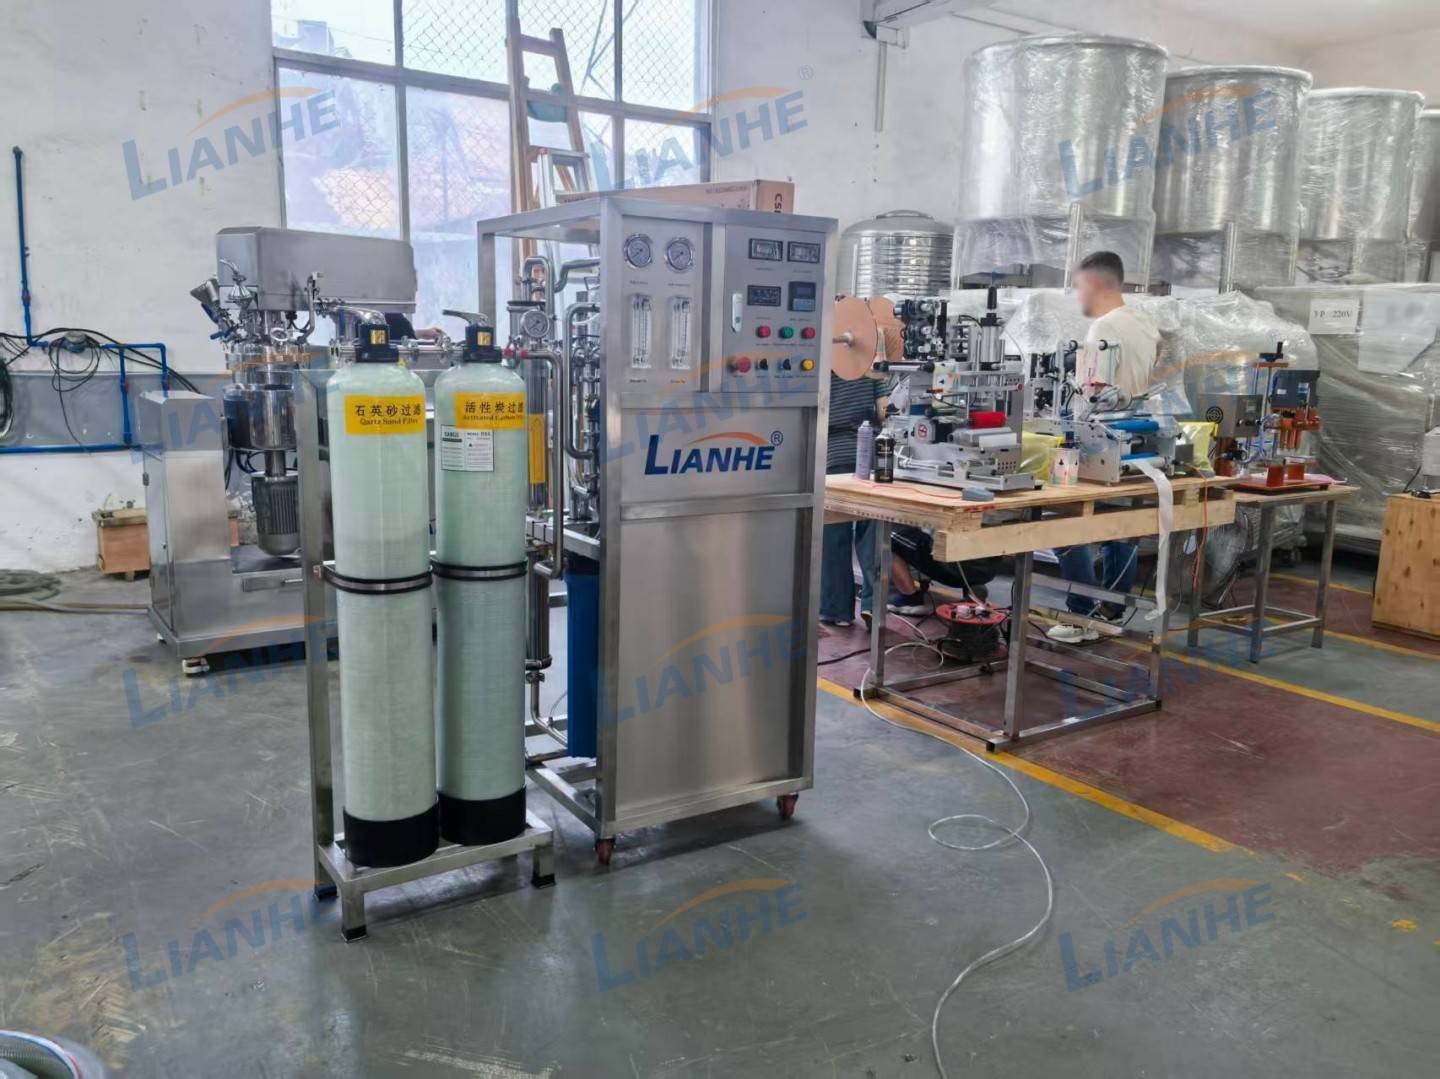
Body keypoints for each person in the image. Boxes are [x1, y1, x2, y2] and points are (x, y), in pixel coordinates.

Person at [1049, 251, 1160, 642]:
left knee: (1064, 523)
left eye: (1079, 286)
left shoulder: (1103, 328)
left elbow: (1092, 394)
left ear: (1096, 283)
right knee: (1120, 526)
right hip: (1133, 440)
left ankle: (1081, 616)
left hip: (1094, 441)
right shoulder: (1144, 324)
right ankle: (1112, 610)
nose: (1078, 295)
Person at [820, 371, 886, 627]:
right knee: (873, 534)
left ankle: (836, 610)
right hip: (871, 456)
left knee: (833, 535)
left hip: (833, 454)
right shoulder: (872, 367)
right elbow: (884, 410)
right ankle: (872, 606)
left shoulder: (825, 366)